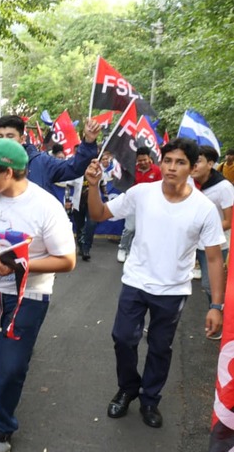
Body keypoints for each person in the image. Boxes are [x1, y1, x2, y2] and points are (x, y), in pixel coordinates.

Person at [86, 138, 225, 428]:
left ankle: (150, 399)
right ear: (161, 163)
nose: (172, 167)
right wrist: (93, 185)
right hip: (136, 283)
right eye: (168, 160)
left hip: (173, 291)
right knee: (123, 338)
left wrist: (216, 306)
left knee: (160, 347)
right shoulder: (142, 193)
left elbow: (213, 259)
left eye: (180, 162)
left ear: (192, 168)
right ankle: (127, 388)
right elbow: (99, 214)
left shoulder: (203, 208)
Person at [0, 138, 77, 452]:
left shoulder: (46, 206)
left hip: (29, 296)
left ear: (8, 172)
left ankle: (1, 426)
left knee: (11, 365)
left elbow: (67, 260)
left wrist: (20, 265)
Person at [0, 114, 100, 195]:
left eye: (10, 136)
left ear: (22, 139)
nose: (4, 141)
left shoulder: (41, 163)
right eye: (0, 136)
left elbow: (74, 167)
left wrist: (89, 142)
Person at [191, 145, 233, 339]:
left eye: (198, 161)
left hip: (217, 245)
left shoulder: (223, 187)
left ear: (210, 164)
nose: (193, 165)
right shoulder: (190, 183)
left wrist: (204, 231)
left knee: (212, 285)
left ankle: (220, 321)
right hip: (195, 243)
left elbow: (229, 221)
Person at [116, 146, 162, 263]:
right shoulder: (132, 170)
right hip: (134, 205)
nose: (142, 162)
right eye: (140, 160)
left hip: (150, 206)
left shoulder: (157, 171)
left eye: (144, 160)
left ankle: (134, 252)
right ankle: (123, 248)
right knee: (130, 228)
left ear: (149, 158)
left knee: (144, 230)